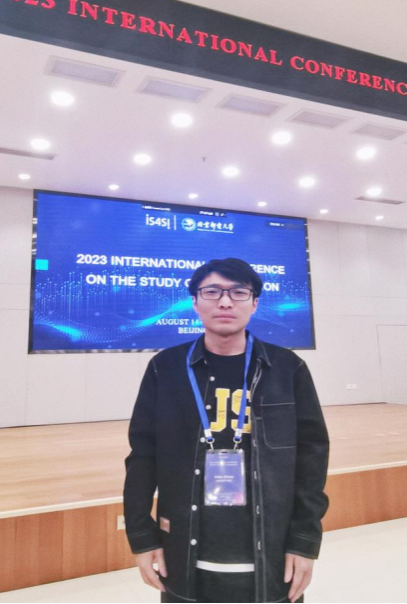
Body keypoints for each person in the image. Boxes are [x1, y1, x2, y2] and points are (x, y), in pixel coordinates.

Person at [124, 258, 330, 603]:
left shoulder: (287, 368)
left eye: (238, 292)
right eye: (212, 292)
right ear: (194, 301)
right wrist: (142, 536)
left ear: (255, 303)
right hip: (183, 553)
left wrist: (304, 541)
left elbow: (312, 459)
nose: (224, 302)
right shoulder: (165, 368)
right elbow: (143, 457)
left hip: (272, 553)